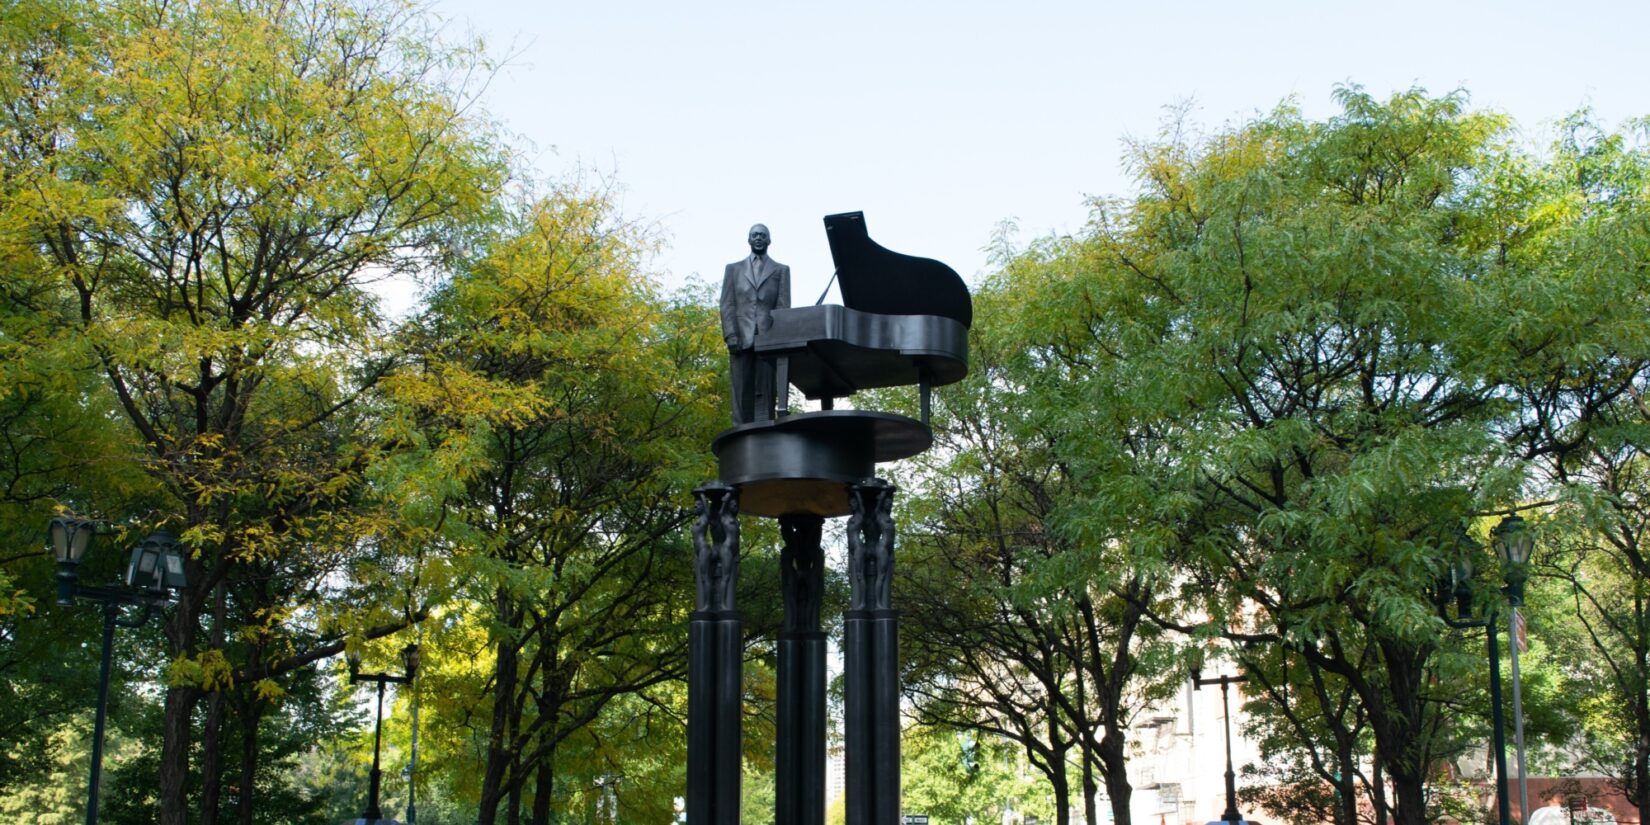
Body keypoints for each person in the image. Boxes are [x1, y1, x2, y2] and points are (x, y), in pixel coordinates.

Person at [721, 223, 790, 424]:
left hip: (769, 338)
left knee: (767, 391)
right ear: (749, 240)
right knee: (741, 390)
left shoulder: (781, 270)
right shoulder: (733, 269)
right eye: (754, 235)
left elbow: (783, 307)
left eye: (762, 235)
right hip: (740, 338)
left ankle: (764, 430)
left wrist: (779, 339)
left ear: (769, 240)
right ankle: (741, 432)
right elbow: (727, 304)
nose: (758, 238)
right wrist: (730, 335)